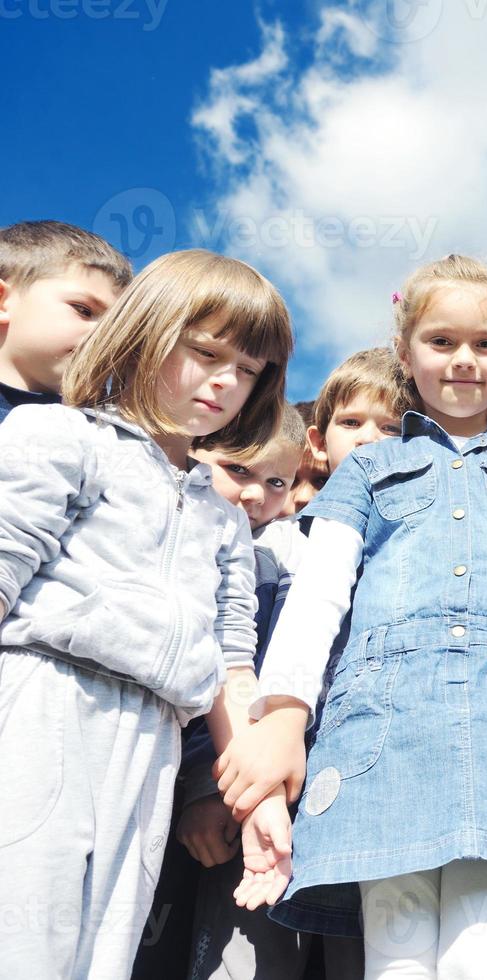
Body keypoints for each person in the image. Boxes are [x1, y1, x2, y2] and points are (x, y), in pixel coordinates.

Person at [222, 255, 487, 979]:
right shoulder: (364, 471)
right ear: (406, 354)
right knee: (397, 952)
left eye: (485, 344)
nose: (463, 361)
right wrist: (285, 715)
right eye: (441, 342)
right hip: (379, 729)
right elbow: (319, 598)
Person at [0, 248, 293, 978]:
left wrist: (255, 798)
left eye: (249, 369)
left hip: (156, 740)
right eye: (205, 352)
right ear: (144, 330)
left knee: (105, 954)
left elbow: (231, 662)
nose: (226, 381)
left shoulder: (223, 518)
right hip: (46, 700)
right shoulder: (59, 437)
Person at [0, 219, 131, 423]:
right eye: (84, 310)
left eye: (113, 328)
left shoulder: (101, 435)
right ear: (3, 301)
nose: (104, 338)